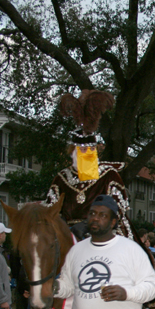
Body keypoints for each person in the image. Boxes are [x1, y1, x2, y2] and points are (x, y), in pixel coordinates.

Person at [44, 89, 135, 239]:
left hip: (104, 229)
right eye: (83, 150)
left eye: (92, 149)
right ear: (73, 152)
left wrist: (92, 224)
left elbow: (119, 207)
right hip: (69, 233)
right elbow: (50, 209)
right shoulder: (62, 178)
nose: (88, 153)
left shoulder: (109, 175)